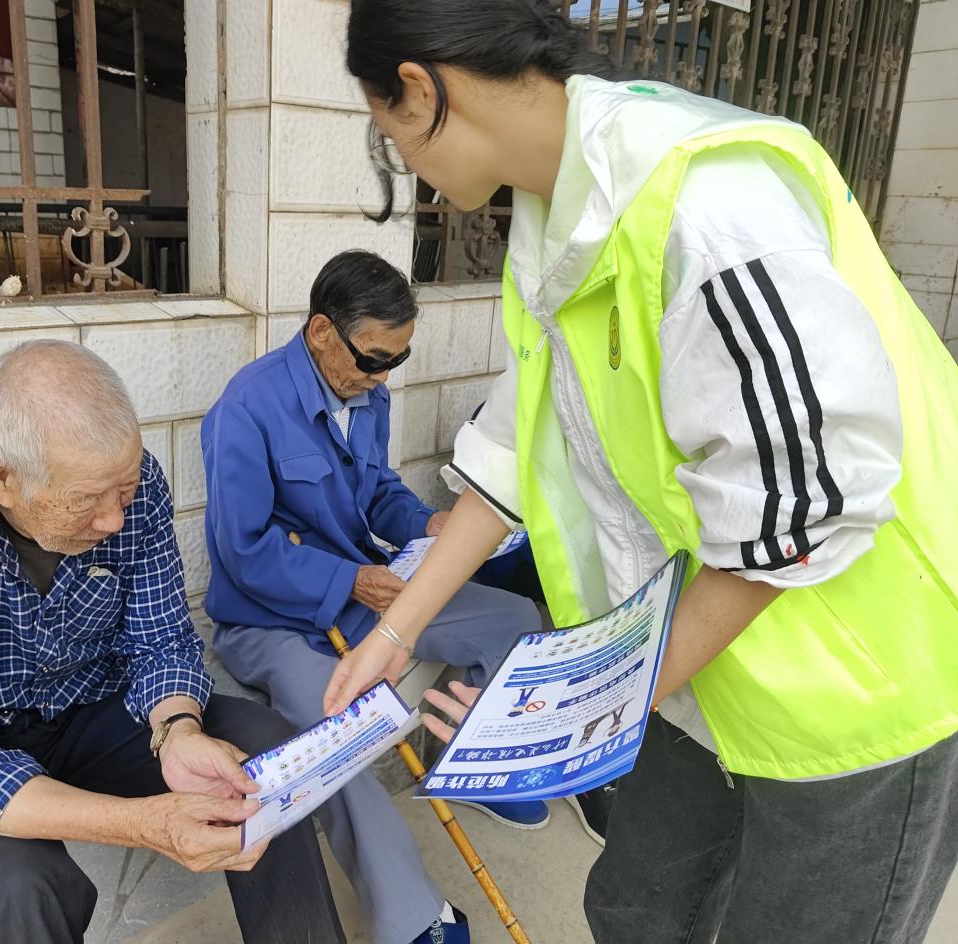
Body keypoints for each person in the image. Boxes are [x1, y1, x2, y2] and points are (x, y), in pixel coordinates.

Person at [321, 3, 958, 943]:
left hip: (855, 686)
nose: (402, 164)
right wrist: (394, 632)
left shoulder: (706, 206)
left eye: (386, 137)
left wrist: (577, 713)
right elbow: (518, 444)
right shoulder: (553, 219)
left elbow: (802, 507)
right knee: (635, 909)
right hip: (695, 658)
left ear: (419, 90)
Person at [0, 340, 345, 944]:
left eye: (123, 492)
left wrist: (176, 730)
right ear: (3, 481)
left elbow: (161, 639)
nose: (114, 520)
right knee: (21, 886)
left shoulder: (130, 482)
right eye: (86, 502)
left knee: (261, 757)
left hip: (78, 702)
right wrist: (145, 822)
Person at [202, 250, 549, 944]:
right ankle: (412, 919)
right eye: (373, 359)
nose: (383, 375)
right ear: (320, 332)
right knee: (337, 733)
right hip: (270, 620)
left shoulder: (368, 392)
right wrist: (348, 580)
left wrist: (427, 523)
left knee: (514, 619)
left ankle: (477, 770)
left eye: (397, 359)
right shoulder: (245, 407)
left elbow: (377, 489)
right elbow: (242, 551)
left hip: (365, 596)